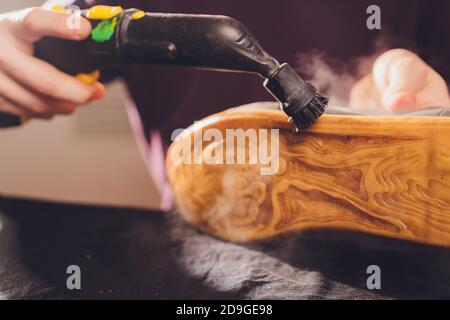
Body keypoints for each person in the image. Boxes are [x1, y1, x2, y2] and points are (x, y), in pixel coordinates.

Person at [0, 0, 449, 207]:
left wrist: (429, 120)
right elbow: (57, 45)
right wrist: (14, 50)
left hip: (395, 221)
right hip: (202, 232)